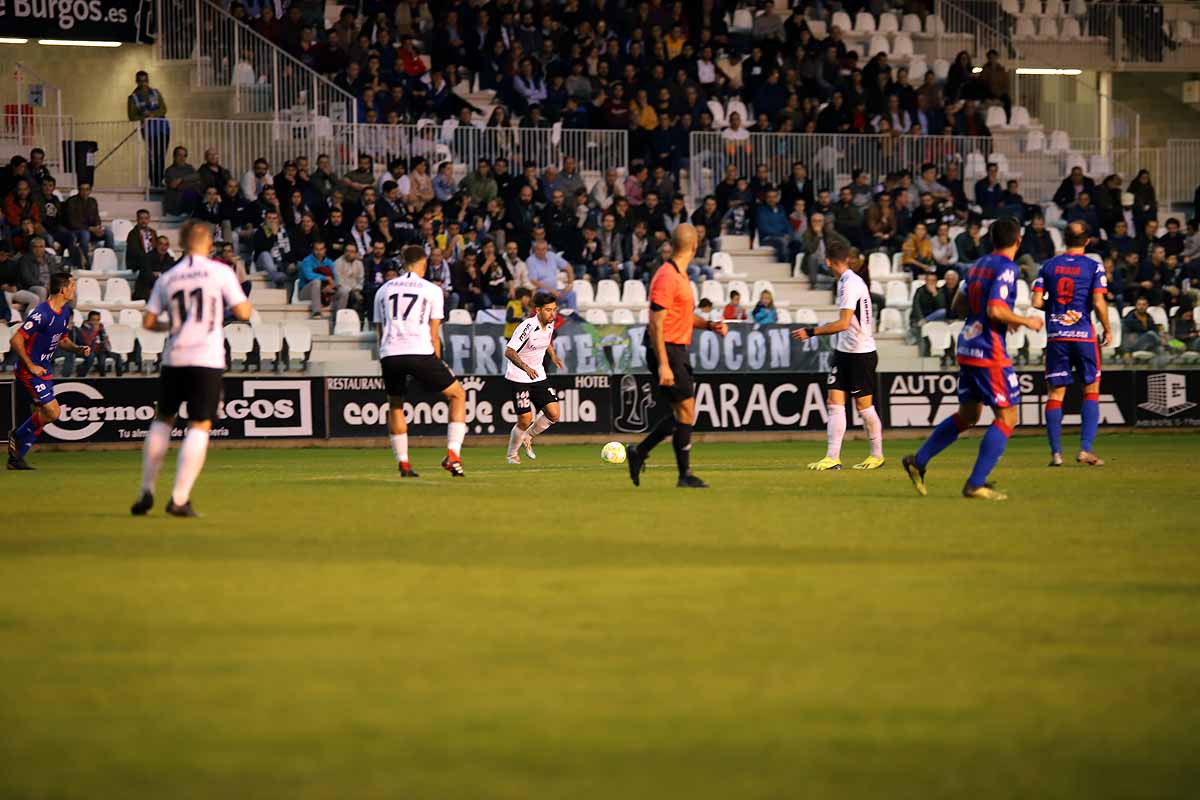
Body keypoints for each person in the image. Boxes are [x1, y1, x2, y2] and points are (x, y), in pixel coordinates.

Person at [902, 217, 1045, 500]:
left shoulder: (978, 265)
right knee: (1007, 415)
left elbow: (958, 305)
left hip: (966, 343)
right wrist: (1024, 321)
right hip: (988, 350)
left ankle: (918, 461)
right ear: (1018, 241)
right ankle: (975, 484)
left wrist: (987, 314)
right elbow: (995, 310)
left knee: (969, 414)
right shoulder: (1007, 268)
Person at [131, 220, 253, 517]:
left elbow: (148, 323)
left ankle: (147, 489)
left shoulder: (169, 277)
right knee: (200, 424)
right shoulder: (220, 271)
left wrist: (172, 324)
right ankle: (179, 498)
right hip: (206, 358)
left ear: (181, 243)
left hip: (174, 356)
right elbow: (243, 311)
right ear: (209, 243)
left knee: (163, 419)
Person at [625, 224, 728, 489]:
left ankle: (641, 452)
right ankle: (683, 473)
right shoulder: (667, 276)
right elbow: (656, 323)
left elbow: (679, 317)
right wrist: (663, 365)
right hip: (667, 349)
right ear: (694, 246)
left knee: (684, 412)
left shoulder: (680, 276)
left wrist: (709, 325)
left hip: (676, 349)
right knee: (686, 411)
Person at [374, 245, 469, 478]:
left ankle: (403, 463)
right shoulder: (432, 290)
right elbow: (433, 333)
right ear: (424, 264)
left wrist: (384, 356)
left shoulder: (383, 290)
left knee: (395, 404)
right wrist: (438, 362)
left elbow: (379, 330)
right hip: (419, 350)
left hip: (390, 353)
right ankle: (453, 455)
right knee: (457, 394)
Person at [792, 242, 885, 470]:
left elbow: (844, 324)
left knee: (864, 407)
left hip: (860, 353)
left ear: (828, 262)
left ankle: (877, 455)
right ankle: (832, 458)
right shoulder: (847, 281)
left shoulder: (850, 284)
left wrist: (811, 332)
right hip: (844, 352)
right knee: (834, 402)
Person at [1031, 221, 1112, 468]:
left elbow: (1035, 302)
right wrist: (1107, 328)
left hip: (1057, 336)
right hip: (1084, 336)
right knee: (1091, 389)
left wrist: (1055, 309)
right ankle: (1085, 450)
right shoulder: (1093, 267)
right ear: (1087, 241)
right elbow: (1098, 302)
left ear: (1064, 240)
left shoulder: (1048, 266)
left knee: (1056, 394)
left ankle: (1056, 454)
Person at [7, 273, 92, 470]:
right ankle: (17, 436)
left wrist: (78, 348)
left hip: (45, 370)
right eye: (72, 286)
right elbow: (16, 340)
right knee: (53, 412)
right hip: (31, 371)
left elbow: (62, 340)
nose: (74, 290)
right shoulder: (41, 313)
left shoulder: (63, 312)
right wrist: (30, 365)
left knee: (44, 414)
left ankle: (16, 458)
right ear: (63, 289)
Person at [504, 291, 565, 464]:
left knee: (554, 414)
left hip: (538, 376)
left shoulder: (550, 324)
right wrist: (525, 367)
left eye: (554, 310)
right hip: (519, 376)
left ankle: (527, 437)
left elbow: (546, 341)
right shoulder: (527, 326)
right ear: (538, 310)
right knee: (525, 419)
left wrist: (553, 355)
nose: (552, 314)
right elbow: (509, 351)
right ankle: (512, 455)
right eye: (548, 310)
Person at [127, 71, 170, 189]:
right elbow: (132, 116)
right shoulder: (133, 97)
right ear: (136, 81)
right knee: (154, 155)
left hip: (163, 128)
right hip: (149, 129)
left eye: (145, 80)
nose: (143, 84)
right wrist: (144, 117)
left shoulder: (156, 93)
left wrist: (153, 114)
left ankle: (160, 180)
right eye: (140, 81)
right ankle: (154, 181)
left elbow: (163, 109)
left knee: (161, 155)